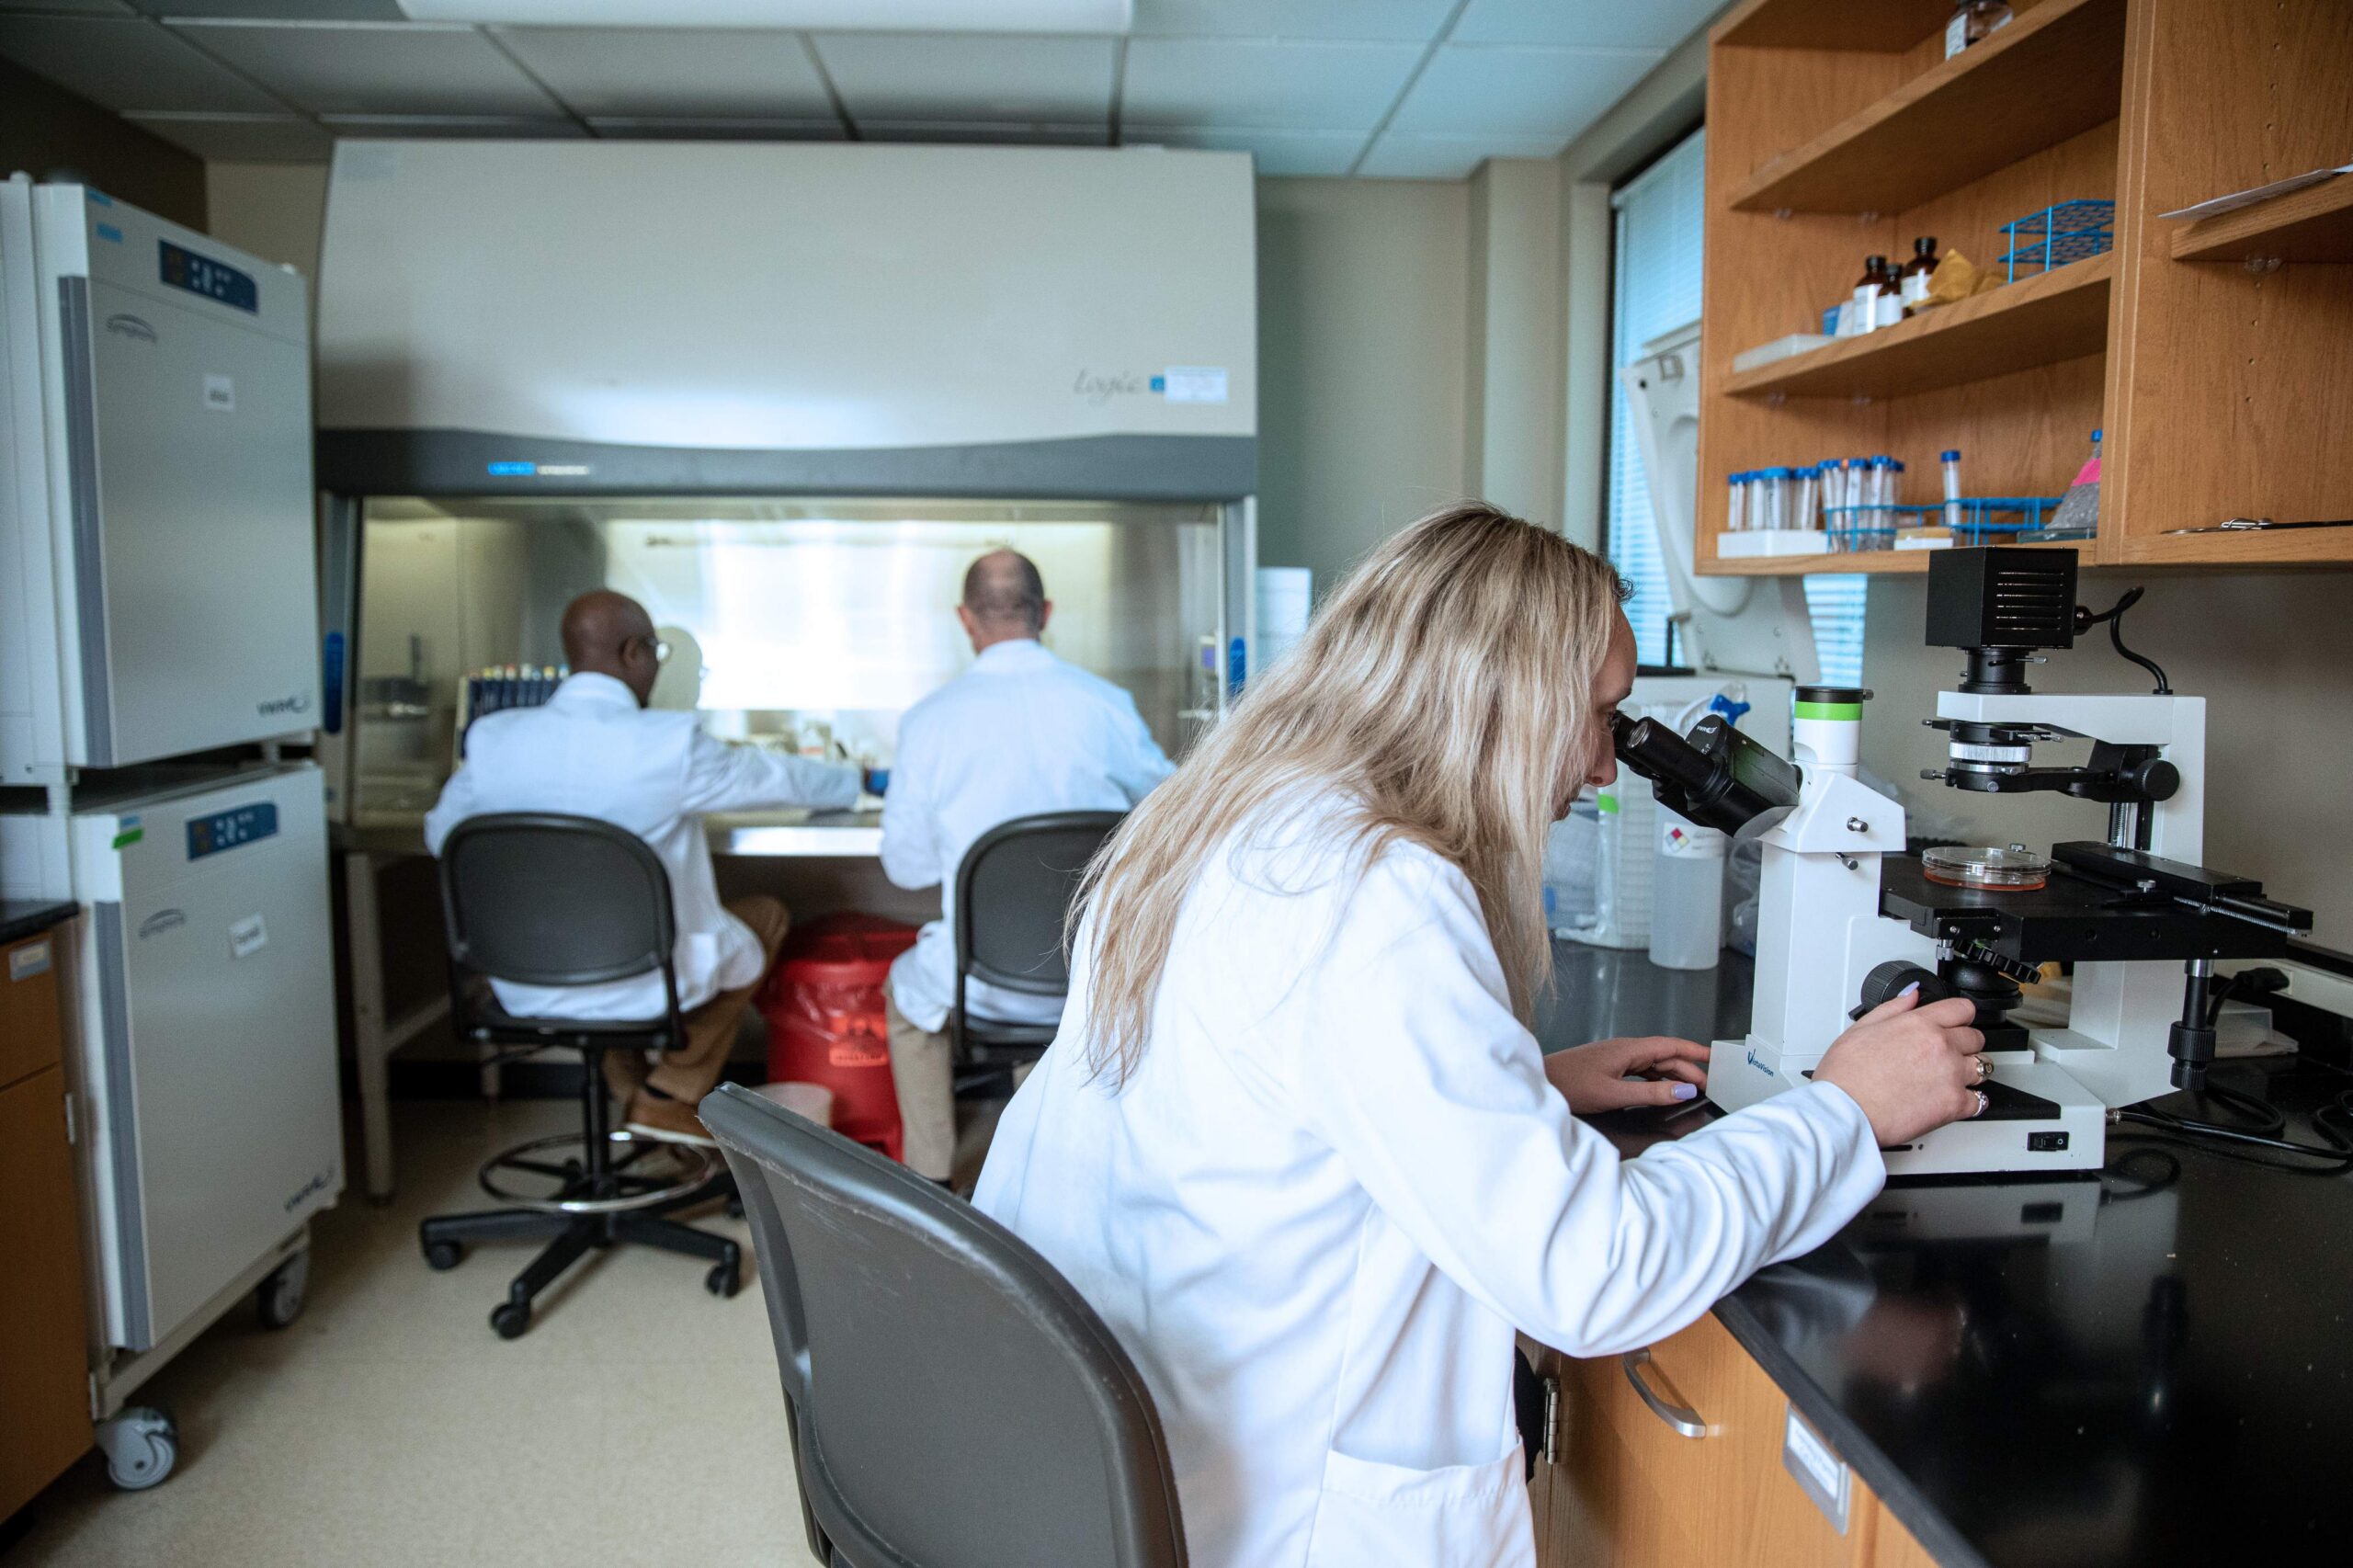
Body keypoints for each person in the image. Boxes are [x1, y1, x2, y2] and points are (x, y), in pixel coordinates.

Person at [973, 505, 1987, 1568]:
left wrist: (1519, 1084)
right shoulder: (1374, 893)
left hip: (1084, 1439)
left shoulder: (1233, 808)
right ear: (1501, 705)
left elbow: (1246, 1082)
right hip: (1258, 1498)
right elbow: (1593, 1271)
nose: (1604, 764)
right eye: (1600, 714)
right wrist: (1844, 1110)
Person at [424, 590, 862, 1145]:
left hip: (523, 979)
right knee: (766, 917)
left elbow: (443, 838)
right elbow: (778, 780)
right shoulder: (667, 744)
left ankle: (637, 1101)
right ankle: (666, 1096)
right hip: (644, 976)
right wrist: (854, 781)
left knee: (607, 946)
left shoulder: (493, 741)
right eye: (656, 652)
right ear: (634, 652)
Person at [880, 550, 1175, 1182]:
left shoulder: (929, 721)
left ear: (966, 619)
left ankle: (929, 1184)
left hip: (983, 981)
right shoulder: (1107, 706)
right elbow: (1173, 818)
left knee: (908, 1002)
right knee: (1056, 1002)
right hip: (1091, 972)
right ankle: (1050, 1168)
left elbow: (905, 870)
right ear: (1044, 612)